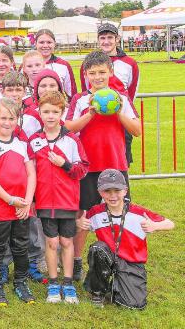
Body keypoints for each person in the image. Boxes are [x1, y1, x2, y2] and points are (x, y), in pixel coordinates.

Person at [65, 51, 142, 282]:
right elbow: (69, 128)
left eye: (102, 72)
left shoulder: (121, 99)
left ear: (110, 72)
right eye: (92, 73)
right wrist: (90, 113)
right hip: (88, 166)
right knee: (84, 214)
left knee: (120, 214)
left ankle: (121, 260)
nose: (97, 77)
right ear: (86, 75)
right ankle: (77, 261)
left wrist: (118, 112)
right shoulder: (80, 99)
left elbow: (137, 130)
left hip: (115, 165)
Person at [78, 169, 174, 309]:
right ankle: (97, 292)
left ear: (125, 191)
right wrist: (78, 224)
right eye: (107, 191)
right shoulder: (95, 212)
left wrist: (155, 225)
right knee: (97, 249)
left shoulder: (138, 213)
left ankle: (115, 286)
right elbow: (77, 228)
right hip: (108, 256)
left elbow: (170, 223)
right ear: (100, 192)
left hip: (131, 262)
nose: (112, 196)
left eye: (117, 190)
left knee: (134, 305)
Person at [31, 91, 89, 305]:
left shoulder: (72, 140)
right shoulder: (34, 141)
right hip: (45, 201)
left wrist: (63, 164)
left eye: (55, 111)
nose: (50, 116)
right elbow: (29, 171)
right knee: (52, 242)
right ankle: (54, 283)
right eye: (45, 111)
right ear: (39, 112)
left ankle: (68, 283)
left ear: (62, 113)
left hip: (67, 201)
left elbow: (82, 169)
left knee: (66, 241)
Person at [0, 98, 37, 306]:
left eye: (12, 118)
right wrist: (10, 199)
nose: (7, 122)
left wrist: (28, 201)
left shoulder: (23, 142)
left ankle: (20, 282)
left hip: (22, 207)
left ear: (17, 120)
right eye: (3, 117)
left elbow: (31, 173)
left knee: (21, 246)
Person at [81, 23, 140, 102]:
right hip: (95, 111)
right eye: (102, 38)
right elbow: (85, 89)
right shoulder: (87, 63)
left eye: (110, 37)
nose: (106, 41)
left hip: (120, 111)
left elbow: (132, 91)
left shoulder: (130, 63)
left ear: (117, 39)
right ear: (98, 40)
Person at [35, 29, 77, 98]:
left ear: (54, 43)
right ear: (35, 44)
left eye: (49, 42)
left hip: (57, 107)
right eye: (41, 42)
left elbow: (71, 93)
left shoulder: (64, 65)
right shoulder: (27, 65)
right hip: (32, 107)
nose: (45, 45)